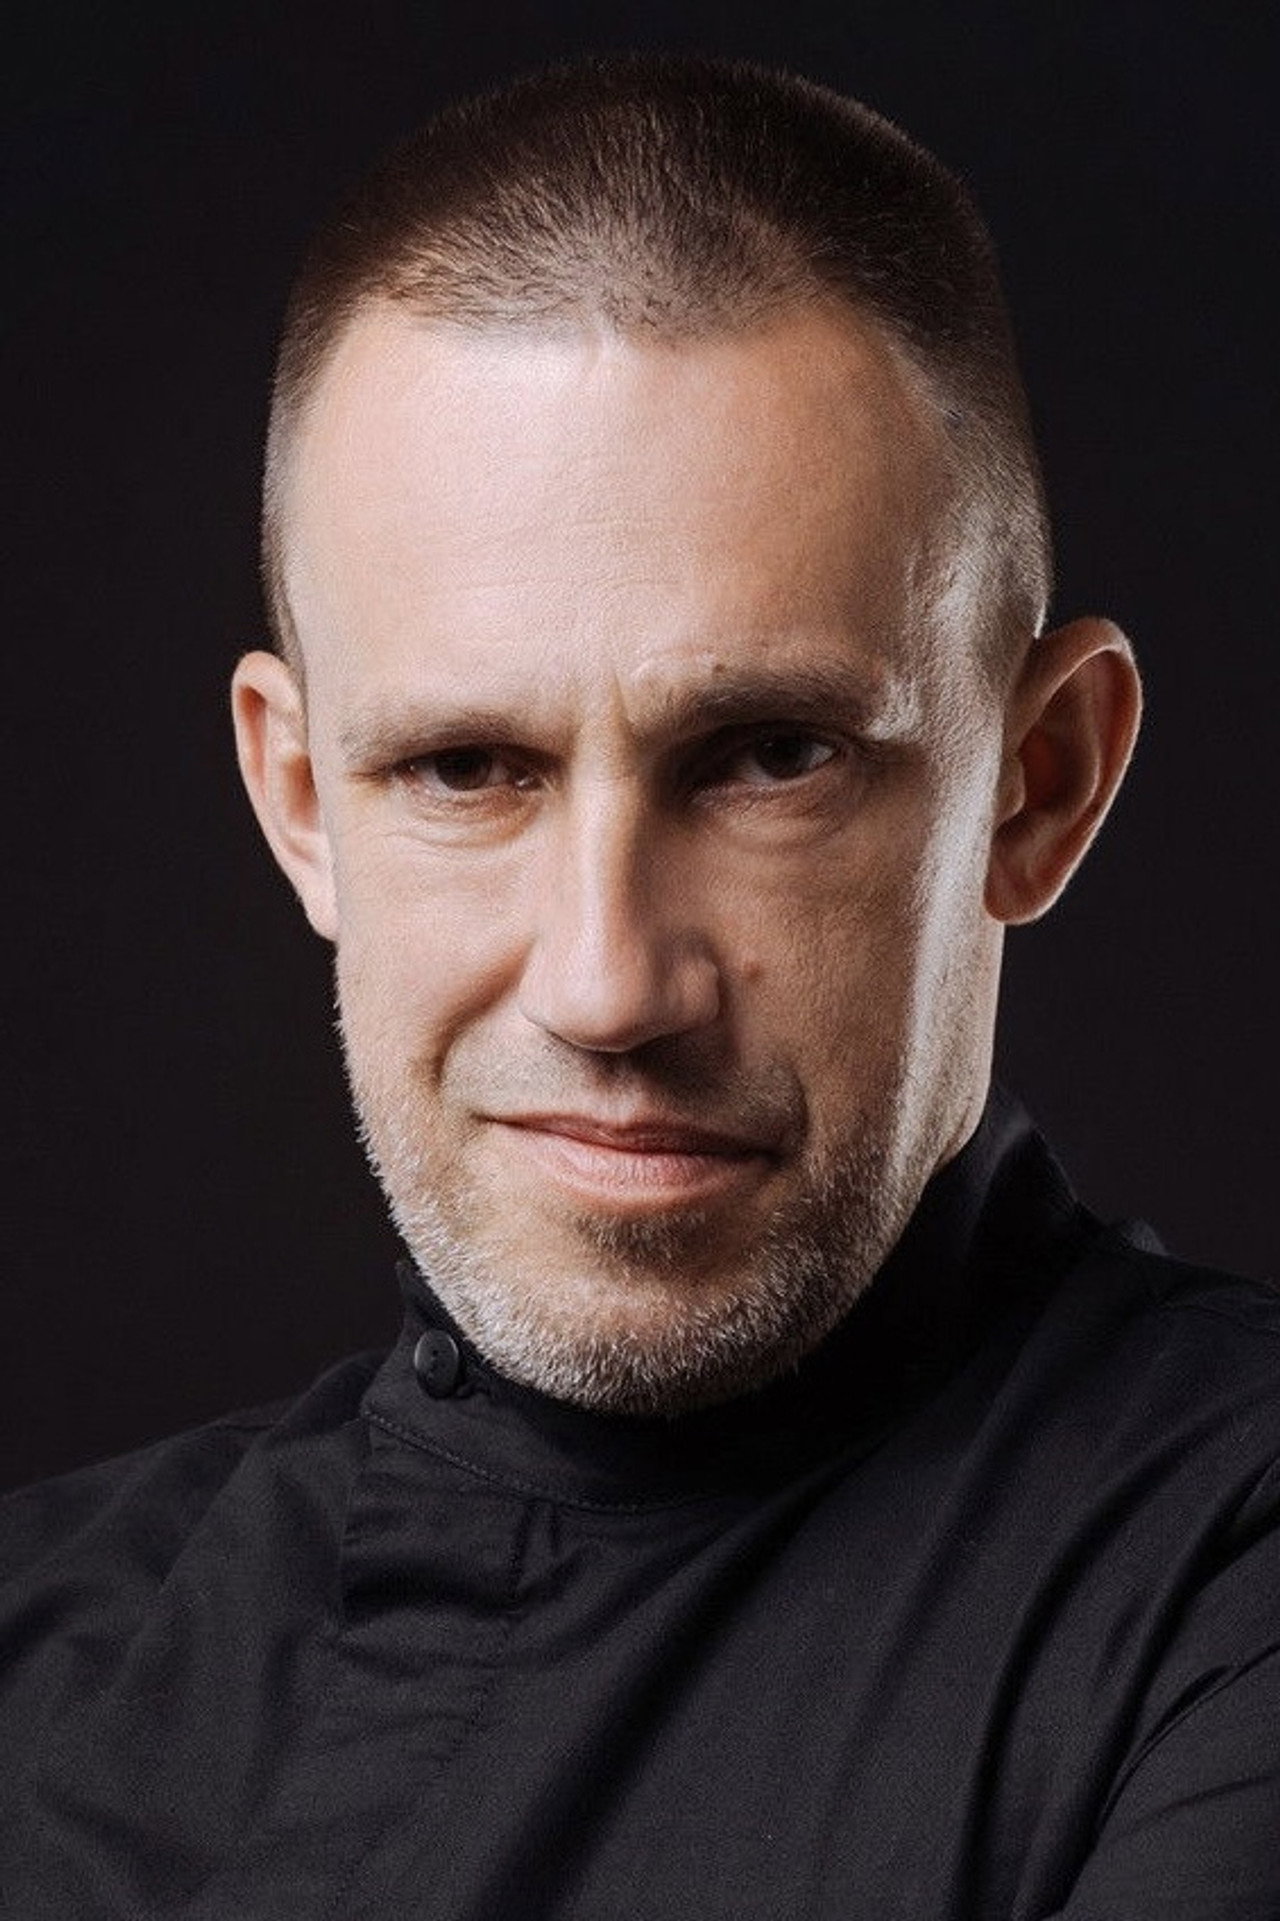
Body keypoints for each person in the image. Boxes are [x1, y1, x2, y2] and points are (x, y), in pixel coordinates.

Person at [2, 51, 1276, 1919]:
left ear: (1039, 781)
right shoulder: (39, 1647)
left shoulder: (1223, 1594)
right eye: (464, 768)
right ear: (300, 801)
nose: (607, 985)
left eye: (770, 757)